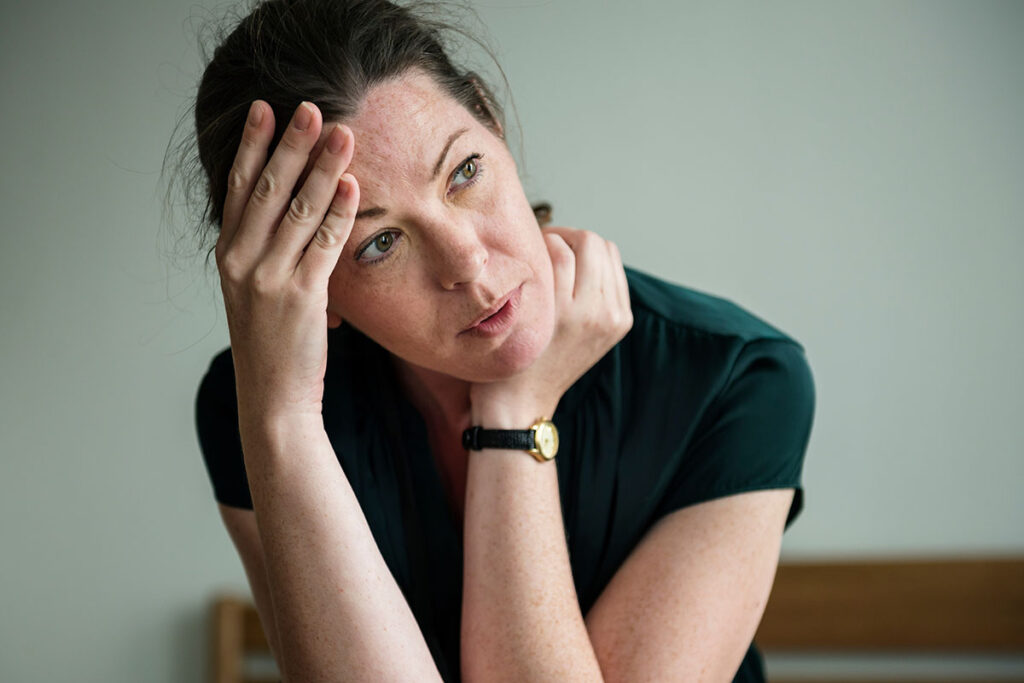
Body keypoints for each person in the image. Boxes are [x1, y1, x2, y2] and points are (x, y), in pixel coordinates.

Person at [179, 0, 816, 680]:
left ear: (492, 118)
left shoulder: (735, 378)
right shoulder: (256, 411)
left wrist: (516, 415)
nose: (468, 264)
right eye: (381, 242)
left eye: (464, 173)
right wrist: (282, 420)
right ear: (308, 282)